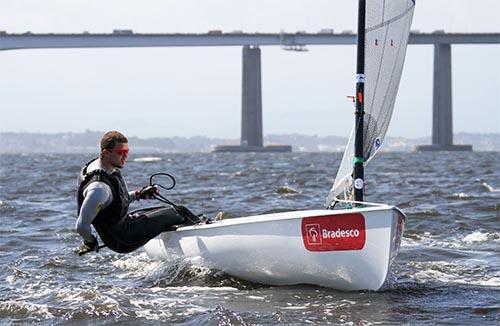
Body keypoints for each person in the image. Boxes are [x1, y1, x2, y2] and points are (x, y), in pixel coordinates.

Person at [75, 131, 199, 255]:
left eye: (126, 152)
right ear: (105, 153)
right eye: (121, 153)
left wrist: (139, 194)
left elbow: (112, 204)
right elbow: (81, 226)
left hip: (122, 228)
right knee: (179, 212)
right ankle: (204, 226)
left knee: (168, 211)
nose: (125, 157)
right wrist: (90, 241)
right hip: (123, 239)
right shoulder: (99, 189)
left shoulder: (99, 167)